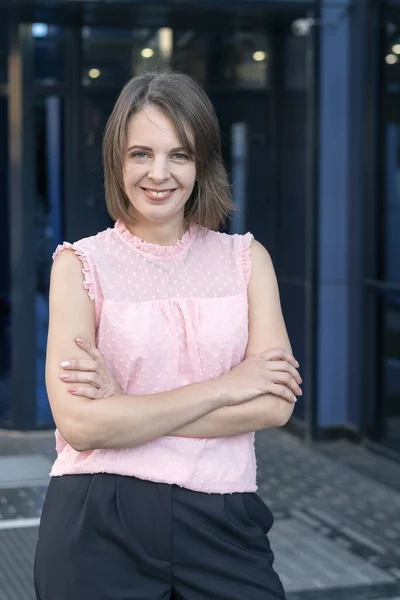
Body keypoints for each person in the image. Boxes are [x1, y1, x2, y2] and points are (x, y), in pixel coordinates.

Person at [34, 70, 302, 600]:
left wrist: (127, 408)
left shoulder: (247, 261)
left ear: (202, 162)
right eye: (141, 153)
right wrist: (228, 385)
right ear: (117, 159)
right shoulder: (79, 264)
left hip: (225, 517)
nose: (159, 173)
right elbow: (83, 424)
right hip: (98, 516)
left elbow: (274, 406)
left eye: (179, 154)